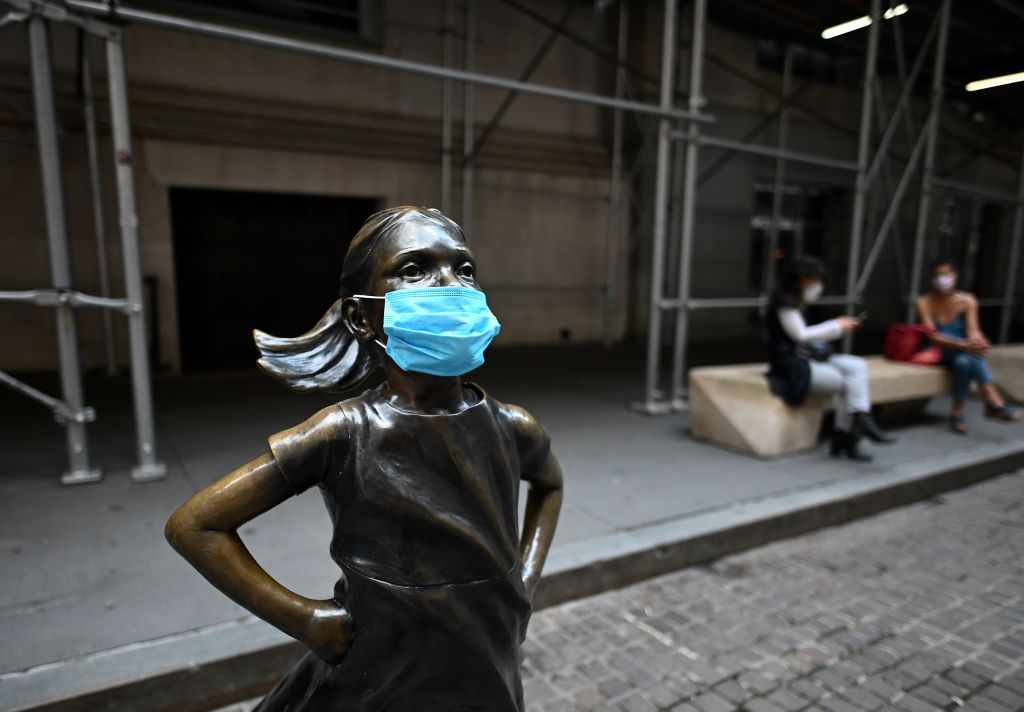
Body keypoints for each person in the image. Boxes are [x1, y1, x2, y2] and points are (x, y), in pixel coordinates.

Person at [164, 206, 564, 711]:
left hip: (489, 658)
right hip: (382, 673)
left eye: (464, 269)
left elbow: (550, 486)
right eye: (414, 269)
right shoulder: (343, 433)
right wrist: (304, 618)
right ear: (360, 316)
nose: (450, 285)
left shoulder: (512, 426)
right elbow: (195, 526)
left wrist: (524, 579)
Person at [765, 255, 895, 462]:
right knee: (847, 383)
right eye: (815, 280)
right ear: (801, 279)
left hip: (808, 358)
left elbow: (808, 336)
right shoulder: (785, 303)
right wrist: (836, 326)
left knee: (857, 366)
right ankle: (849, 436)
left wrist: (837, 327)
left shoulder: (798, 302)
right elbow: (800, 335)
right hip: (792, 365)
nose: (819, 285)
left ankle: (861, 423)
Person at [916, 258, 1020, 434]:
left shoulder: (967, 300)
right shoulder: (924, 301)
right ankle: (993, 402)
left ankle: (958, 413)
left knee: (964, 362)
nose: (942, 279)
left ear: (955, 276)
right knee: (968, 356)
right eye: (938, 276)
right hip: (937, 352)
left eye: (946, 275)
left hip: (962, 352)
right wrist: (965, 344)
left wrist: (978, 342)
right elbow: (933, 337)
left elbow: (973, 330)